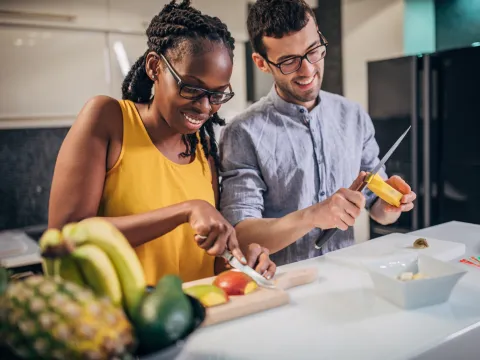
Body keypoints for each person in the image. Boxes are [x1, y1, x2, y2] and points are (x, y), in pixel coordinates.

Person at [48, 0, 276, 286]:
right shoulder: (108, 119)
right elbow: (64, 238)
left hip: (198, 317)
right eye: (191, 88)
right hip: (123, 322)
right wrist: (184, 210)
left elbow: (212, 259)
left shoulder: (204, 149)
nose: (205, 107)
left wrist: (245, 259)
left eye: (217, 95)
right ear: (155, 67)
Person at [219, 0, 416, 266]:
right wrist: (312, 215)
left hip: (347, 278)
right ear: (262, 63)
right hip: (281, 287)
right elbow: (241, 237)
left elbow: (378, 210)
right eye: (289, 61)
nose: (308, 70)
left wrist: (391, 205)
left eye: (313, 51)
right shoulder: (242, 132)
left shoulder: (353, 115)